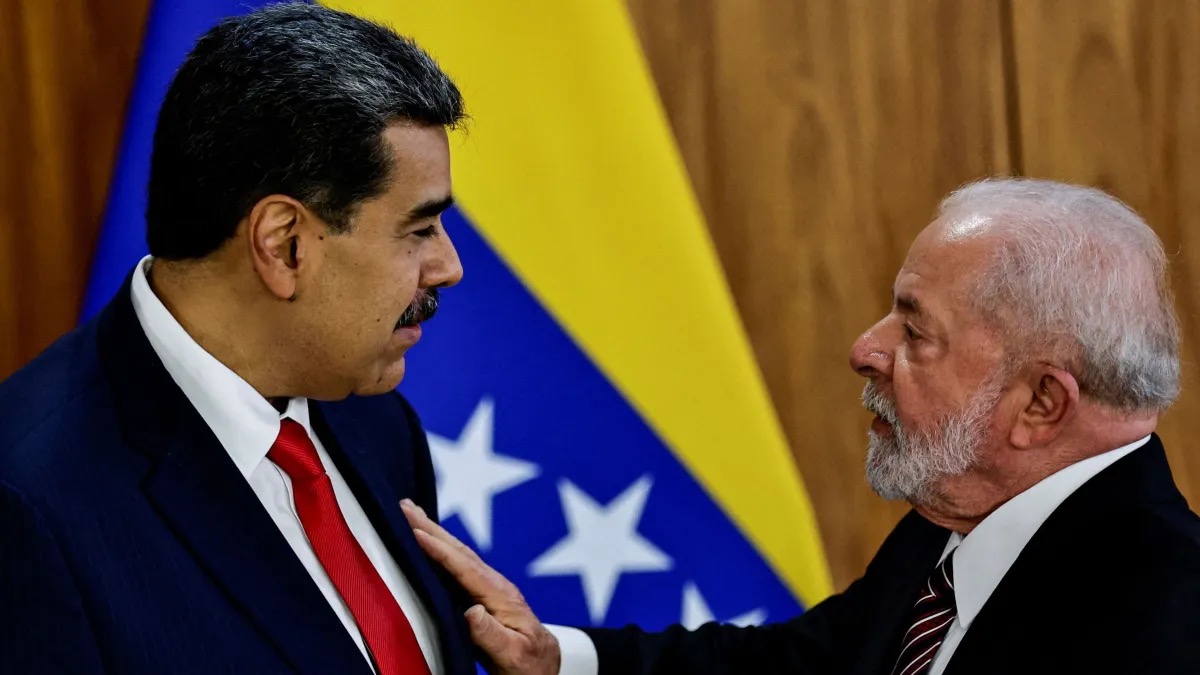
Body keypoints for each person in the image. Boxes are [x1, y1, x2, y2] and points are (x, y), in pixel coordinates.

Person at [401, 177, 1200, 675]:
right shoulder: (959, 526)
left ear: (1040, 404)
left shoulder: (1164, 621)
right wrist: (557, 658)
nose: (866, 348)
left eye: (915, 332)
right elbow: (801, 662)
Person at [0, 4, 478, 674]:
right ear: (283, 244)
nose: (449, 266)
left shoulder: (375, 417)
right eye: (419, 229)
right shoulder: (27, 507)